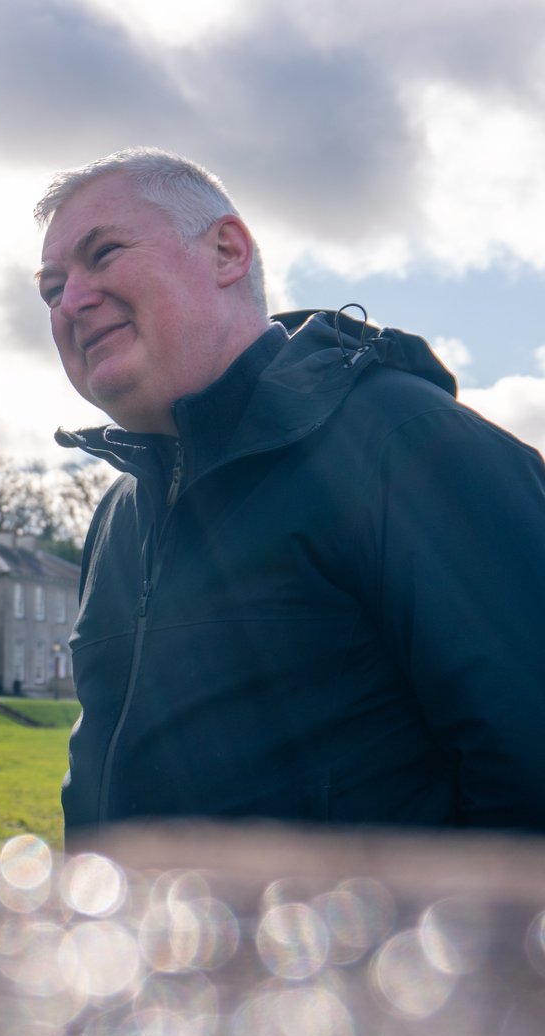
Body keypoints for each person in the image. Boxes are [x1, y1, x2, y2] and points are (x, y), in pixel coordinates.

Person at [35, 147, 545, 836]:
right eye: (51, 290)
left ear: (226, 252)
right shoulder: (118, 518)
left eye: (104, 254)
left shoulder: (411, 446)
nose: (70, 302)